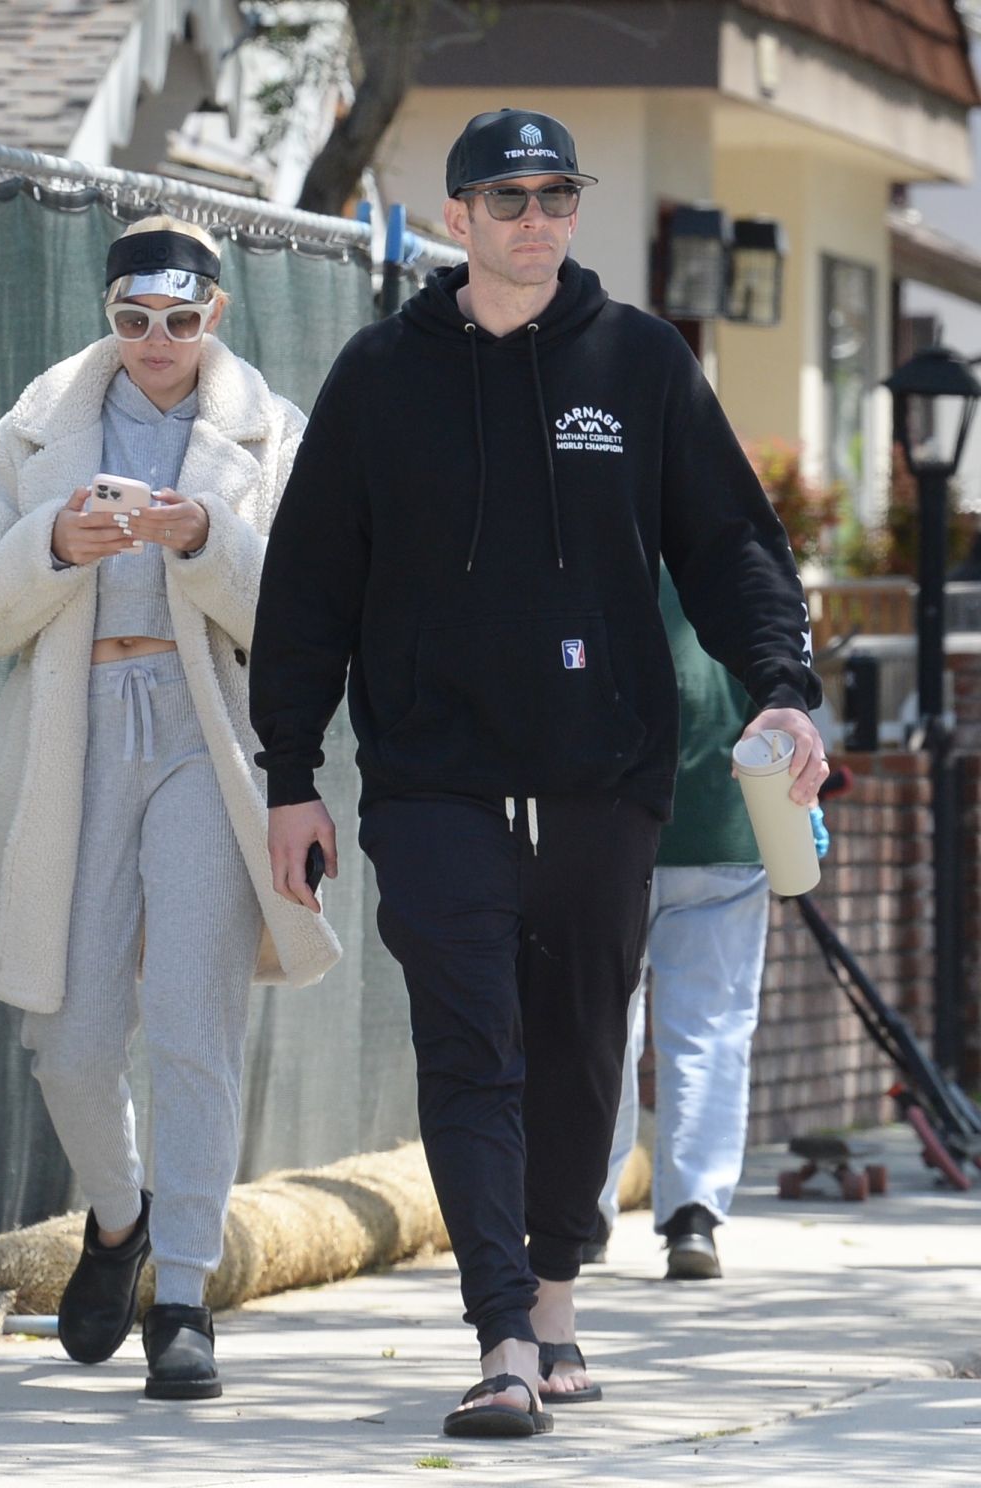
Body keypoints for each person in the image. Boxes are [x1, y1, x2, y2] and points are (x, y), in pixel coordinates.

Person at [249, 109, 826, 1439]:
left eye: (555, 195)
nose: (534, 219)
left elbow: (733, 545)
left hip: (598, 777)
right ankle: (504, 1333)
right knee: (473, 1043)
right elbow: (308, 590)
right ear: (456, 215)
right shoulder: (379, 377)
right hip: (431, 778)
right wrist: (292, 774)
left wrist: (786, 690)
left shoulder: (639, 363)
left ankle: (555, 1300)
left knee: (577, 1050)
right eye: (506, 197)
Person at [0, 217, 339, 1400]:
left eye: (177, 318)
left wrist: (205, 537)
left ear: (213, 313)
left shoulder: (272, 435)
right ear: (107, 317)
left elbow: (308, 619)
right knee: (65, 1031)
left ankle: (183, 1296)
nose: (154, 342)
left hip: (208, 736)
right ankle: (118, 1222)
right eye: (130, 319)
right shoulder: (35, 425)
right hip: (72, 728)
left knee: (193, 1025)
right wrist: (50, 541)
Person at [592, 566, 771, 1280]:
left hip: (611, 825)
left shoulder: (600, 540)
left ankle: (583, 1213)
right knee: (712, 1026)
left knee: (599, 1024)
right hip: (727, 829)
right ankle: (693, 1215)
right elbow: (786, 697)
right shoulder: (752, 569)